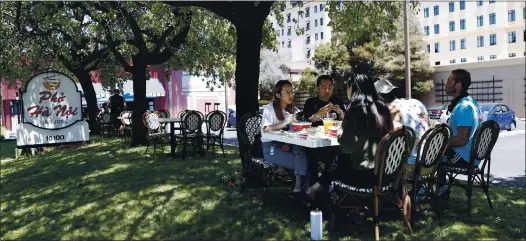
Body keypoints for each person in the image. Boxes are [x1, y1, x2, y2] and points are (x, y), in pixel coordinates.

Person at [305, 73, 393, 199]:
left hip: (361, 176)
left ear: (352, 88)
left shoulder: (355, 111)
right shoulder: (383, 108)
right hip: (386, 173)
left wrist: (341, 132)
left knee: (338, 158)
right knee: (338, 160)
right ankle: (317, 189)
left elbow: (347, 147)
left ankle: (316, 190)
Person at [374, 79, 432, 177]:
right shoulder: (417, 103)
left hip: (408, 166)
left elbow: (387, 139)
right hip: (429, 162)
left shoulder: (391, 110)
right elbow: (426, 124)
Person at [438, 69, 481, 196]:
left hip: (464, 155)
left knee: (428, 156)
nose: (446, 83)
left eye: (448, 80)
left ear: (458, 85)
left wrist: (440, 143)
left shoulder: (464, 107)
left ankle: (428, 192)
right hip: (468, 154)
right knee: (433, 152)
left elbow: (461, 140)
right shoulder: (470, 102)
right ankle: (441, 189)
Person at [261, 80, 308, 193]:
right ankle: (301, 189)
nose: (290, 95)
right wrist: (283, 123)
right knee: (305, 162)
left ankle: (301, 188)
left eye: (292, 92)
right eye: (286, 92)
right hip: (271, 148)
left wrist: (288, 144)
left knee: (303, 154)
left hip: (291, 146)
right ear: (278, 95)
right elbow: (265, 129)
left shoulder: (295, 111)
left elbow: (296, 131)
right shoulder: (269, 109)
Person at [302, 75, 346, 186]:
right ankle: (313, 186)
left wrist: (340, 111)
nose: (327, 90)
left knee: (340, 155)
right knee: (310, 156)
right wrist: (319, 113)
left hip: (333, 141)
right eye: (323, 87)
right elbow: (308, 121)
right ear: (317, 88)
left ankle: (325, 186)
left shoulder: (336, 101)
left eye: (330, 87)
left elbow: (346, 120)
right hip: (315, 143)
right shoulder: (311, 102)